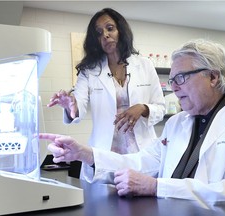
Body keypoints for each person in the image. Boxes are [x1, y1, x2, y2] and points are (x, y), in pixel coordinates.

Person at [40, 38, 225, 205]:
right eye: (172, 81)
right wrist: (84, 154)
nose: (174, 88)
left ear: (213, 77)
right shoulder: (178, 123)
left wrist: (157, 187)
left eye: (181, 78)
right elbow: (140, 163)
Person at [47, 8, 165, 180]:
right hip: (105, 155)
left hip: (142, 153)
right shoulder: (89, 71)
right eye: (99, 33)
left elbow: (160, 107)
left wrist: (142, 108)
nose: (105, 35)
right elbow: (77, 106)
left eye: (110, 28)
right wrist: (70, 105)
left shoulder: (144, 65)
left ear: (120, 30)